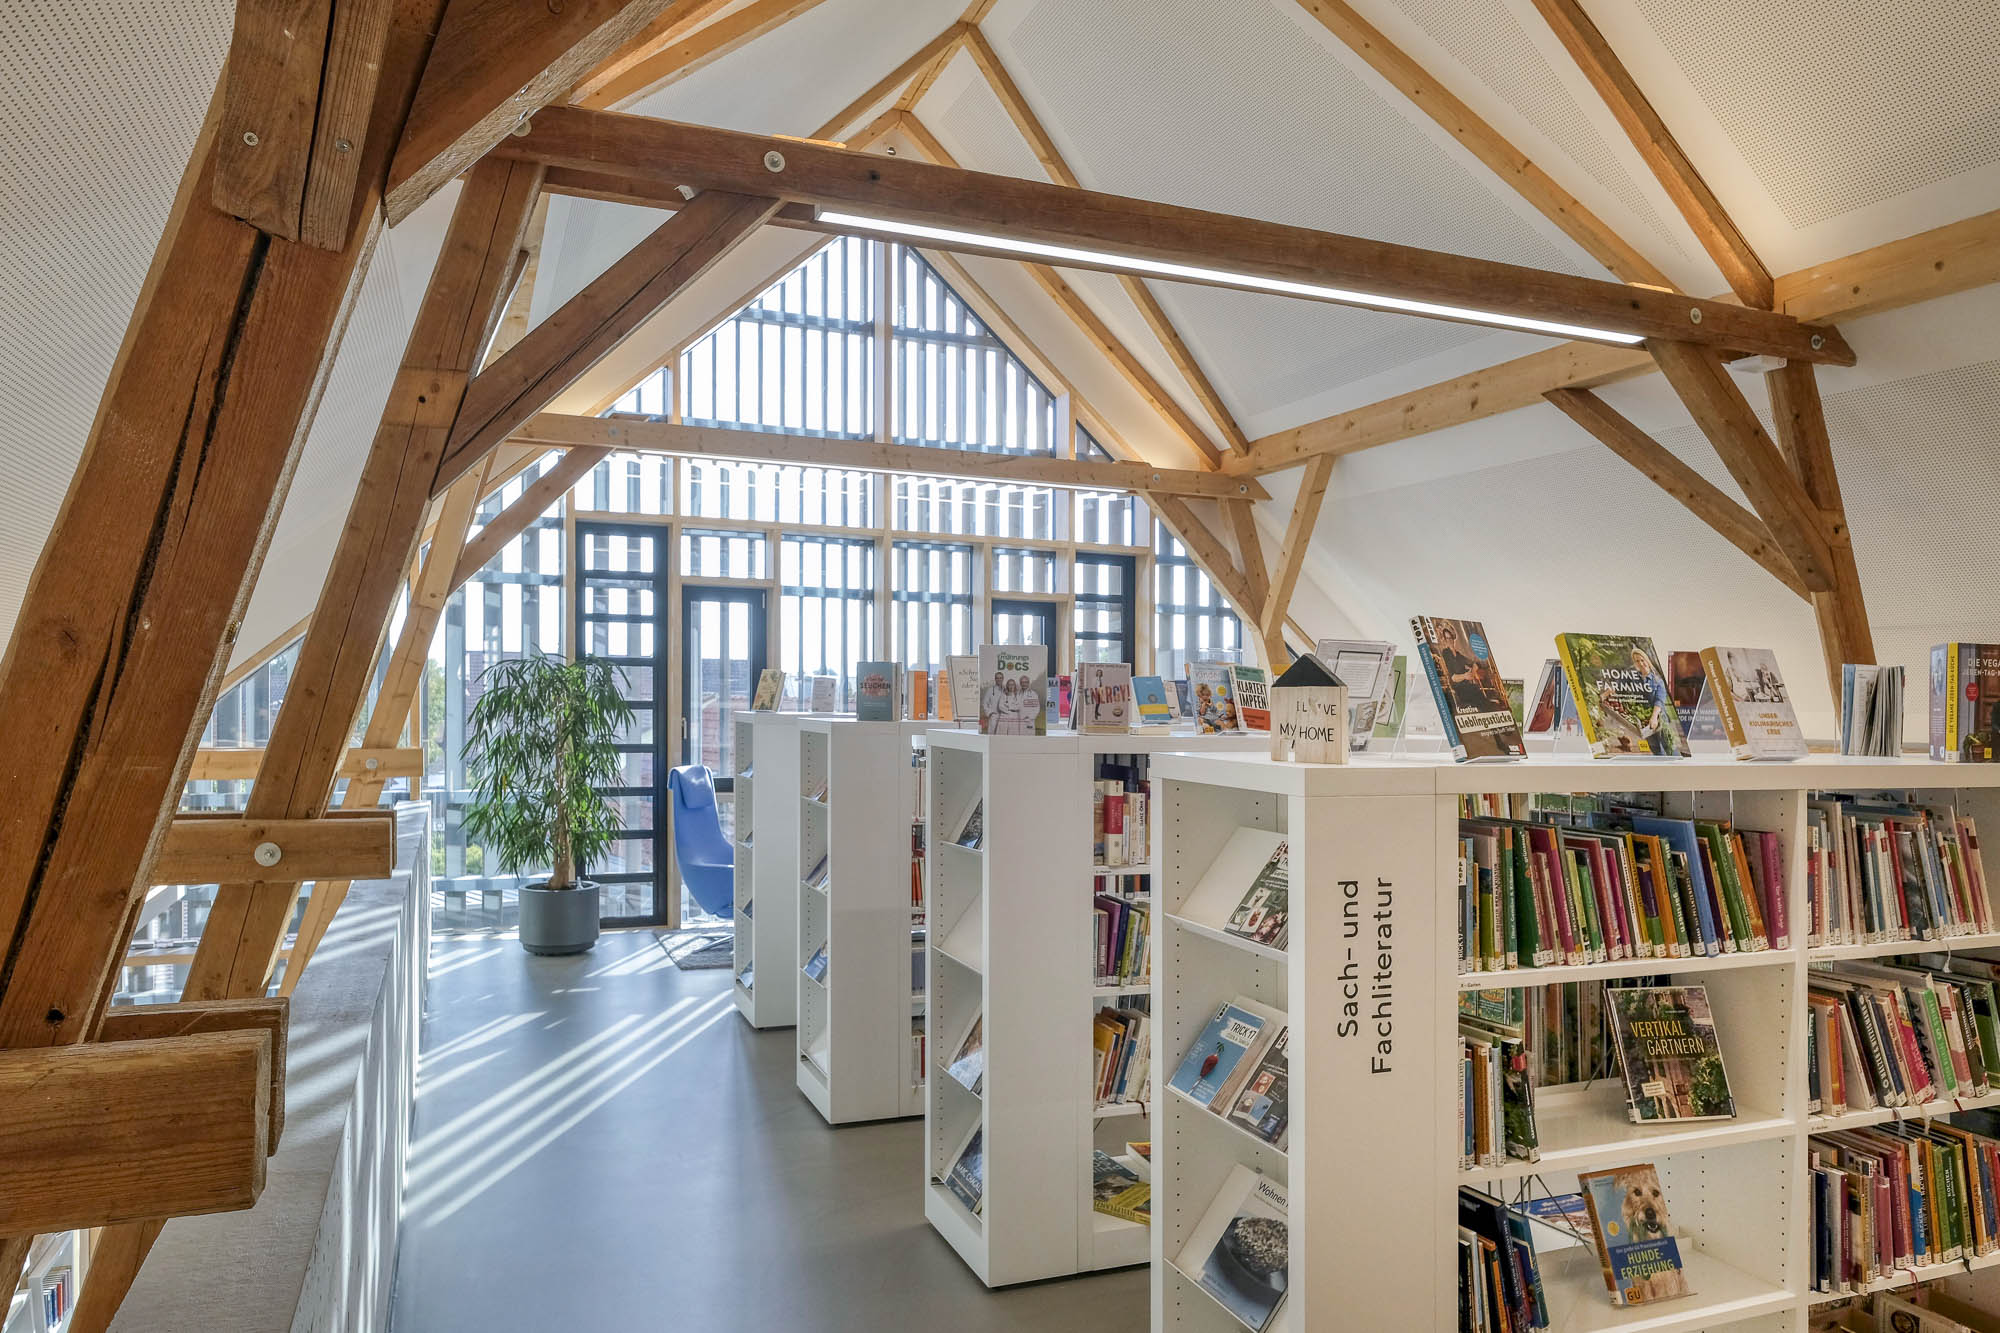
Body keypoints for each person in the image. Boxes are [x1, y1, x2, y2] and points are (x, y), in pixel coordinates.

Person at [1629, 646, 1675, 756]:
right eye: (1637, 661)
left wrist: (1654, 717)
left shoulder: (1657, 680)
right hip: (1645, 721)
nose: (1640, 663)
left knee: (1669, 748)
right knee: (1656, 750)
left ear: (1646, 660)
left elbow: (1659, 700)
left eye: (1642, 660)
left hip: (1659, 718)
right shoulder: (1634, 680)